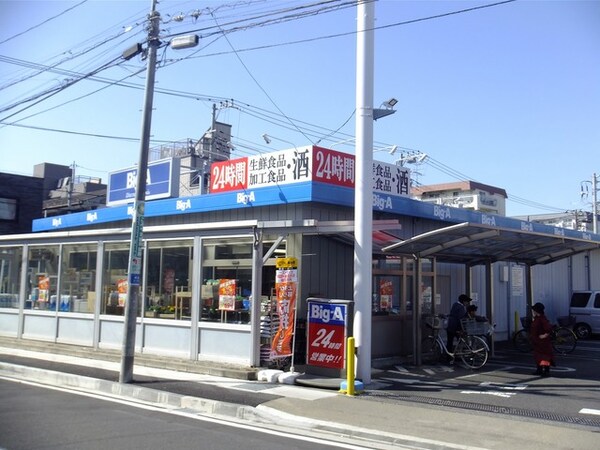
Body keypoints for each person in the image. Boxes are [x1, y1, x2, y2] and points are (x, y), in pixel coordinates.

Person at [530, 302, 554, 376]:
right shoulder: (538, 318)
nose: (533, 311)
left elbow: (548, 328)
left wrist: (544, 335)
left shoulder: (542, 319)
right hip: (538, 342)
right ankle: (539, 370)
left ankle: (545, 371)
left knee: (544, 357)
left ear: (537, 310)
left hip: (543, 343)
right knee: (538, 356)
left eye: (534, 310)